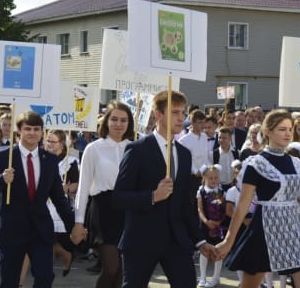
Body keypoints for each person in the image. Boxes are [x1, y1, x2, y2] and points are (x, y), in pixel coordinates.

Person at [113, 90, 217, 288]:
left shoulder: (184, 154)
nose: (181, 118)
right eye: (175, 113)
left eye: (183, 113)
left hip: (176, 240)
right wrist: (152, 196)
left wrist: (200, 241)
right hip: (141, 238)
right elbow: (119, 197)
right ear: (158, 114)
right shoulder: (138, 149)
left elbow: (186, 204)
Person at [216, 109, 300, 288]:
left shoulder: (295, 163)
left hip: (295, 230)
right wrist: (228, 240)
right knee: (249, 285)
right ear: (267, 132)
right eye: (281, 129)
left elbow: (297, 204)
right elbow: (242, 206)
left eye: (289, 129)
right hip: (265, 229)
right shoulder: (256, 163)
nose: (287, 133)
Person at [0, 111, 74, 287]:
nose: (32, 133)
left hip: (40, 230)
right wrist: (1, 180)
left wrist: (73, 225)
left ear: (42, 132)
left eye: (36, 129)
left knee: (45, 277)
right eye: (27, 129)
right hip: (11, 230)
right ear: (19, 130)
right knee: (10, 280)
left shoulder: (49, 160)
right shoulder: (3, 157)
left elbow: (58, 197)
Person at [72, 100, 134, 288]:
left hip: (129, 210)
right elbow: (83, 187)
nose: (118, 124)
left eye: (123, 120)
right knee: (111, 269)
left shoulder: (135, 148)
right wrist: (78, 222)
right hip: (103, 210)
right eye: (114, 119)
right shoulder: (94, 148)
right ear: (106, 121)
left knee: (122, 272)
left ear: (129, 123)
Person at [45, 129, 79, 276]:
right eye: (48, 141)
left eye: (53, 142)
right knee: (45, 236)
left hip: (60, 204)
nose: (50, 144)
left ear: (62, 144)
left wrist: (67, 188)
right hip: (43, 203)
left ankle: (66, 255)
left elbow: (77, 183)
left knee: (61, 237)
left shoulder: (70, 162)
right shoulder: (42, 158)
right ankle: (47, 270)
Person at [197, 164, 226, 287]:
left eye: (216, 178)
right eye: (211, 178)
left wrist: (219, 221)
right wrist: (206, 221)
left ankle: (215, 277)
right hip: (206, 225)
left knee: (218, 250)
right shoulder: (201, 191)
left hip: (219, 226)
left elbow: (224, 209)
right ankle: (202, 277)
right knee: (204, 251)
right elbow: (200, 209)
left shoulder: (220, 191)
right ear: (204, 178)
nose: (213, 180)